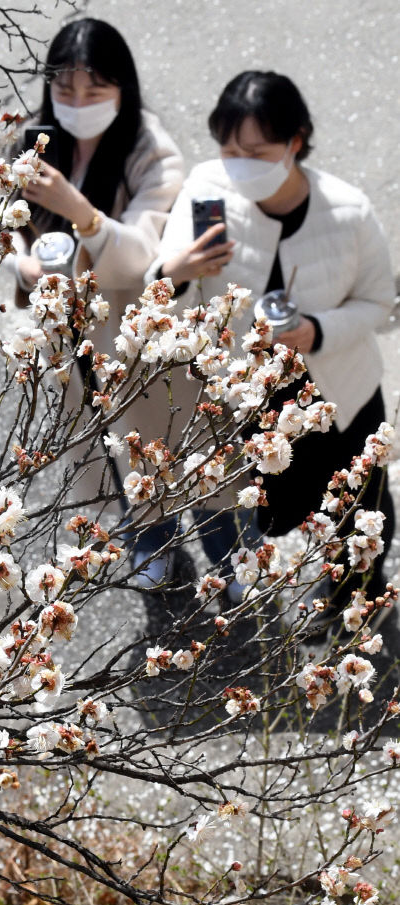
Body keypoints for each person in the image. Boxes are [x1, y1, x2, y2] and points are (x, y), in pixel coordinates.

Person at [153, 70, 396, 616]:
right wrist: (177, 269)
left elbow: (378, 302)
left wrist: (320, 330)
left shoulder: (349, 211)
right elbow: (166, 287)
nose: (238, 164)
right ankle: (254, 589)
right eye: (228, 148)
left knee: (358, 506)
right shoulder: (207, 190)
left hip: (338, 389)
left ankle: (351, 599)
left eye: (257, 152)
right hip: (249, 397)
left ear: (297, 141)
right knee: (259, 503)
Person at [8, 18, 186, 587]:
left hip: (129, 333)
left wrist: (79, 209)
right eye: (65, 91)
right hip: (63, 332)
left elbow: (140, 254)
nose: (78, 104)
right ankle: (141, 540)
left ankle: (175, 542)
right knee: (98, 450)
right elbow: (4, 223)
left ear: (122, 89)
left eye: (94, 91)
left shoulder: (150, 152)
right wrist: (20, 260)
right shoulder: (35, 140)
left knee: (147, 447)